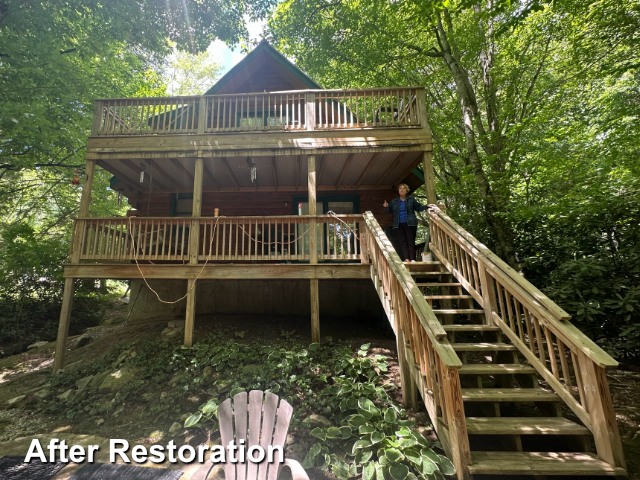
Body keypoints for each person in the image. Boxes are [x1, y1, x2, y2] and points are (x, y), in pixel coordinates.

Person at [383, 184, 436, 262]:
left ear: (406, 190)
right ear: (398, 190)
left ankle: (412, 259)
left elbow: (418, 208)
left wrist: (427, 206)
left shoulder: (411, 199)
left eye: (404, 188)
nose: (402, 190)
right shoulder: (394, 201)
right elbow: (388, 211)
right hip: (398, 224)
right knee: (402, 242)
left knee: (411, 241)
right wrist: (386, 207)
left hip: (410, 223)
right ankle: (406, 258)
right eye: (400, 188)